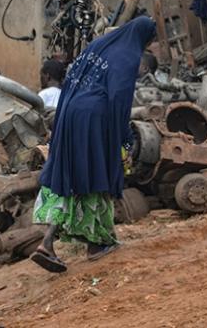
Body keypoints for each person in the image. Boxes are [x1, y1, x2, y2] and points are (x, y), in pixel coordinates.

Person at [30, 16, 156, 273]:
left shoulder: (97, 46)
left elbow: (70, 81)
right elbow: (119, 99)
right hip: (94, 119)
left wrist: (62, 121)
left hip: (69, 114)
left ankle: (64, 242)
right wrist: (125, 137)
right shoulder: (127, 56)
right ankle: (91, 244)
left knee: (70, 174)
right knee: (97, 172)